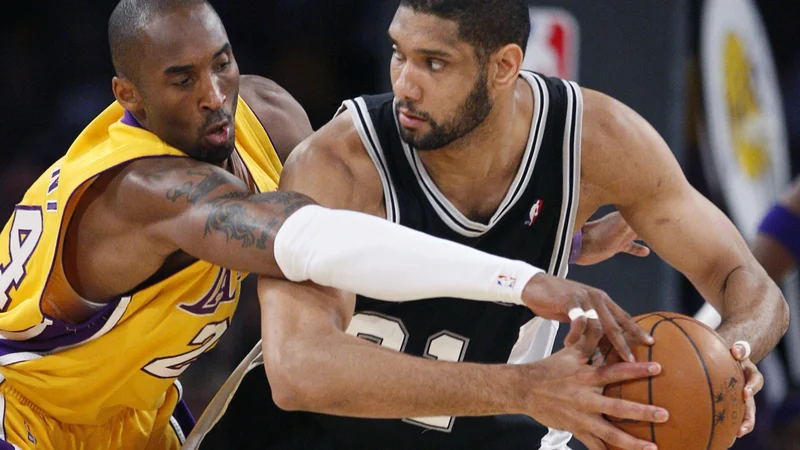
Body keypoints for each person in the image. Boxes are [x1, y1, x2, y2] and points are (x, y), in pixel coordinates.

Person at [0, 0, 659, 448]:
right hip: (24, 418)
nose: (213, 92)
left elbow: (371, 230)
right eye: (180, 80)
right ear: (129, 97)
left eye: (220, 61)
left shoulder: (261, 114)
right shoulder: (148, 188)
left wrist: (561, 242)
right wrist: (522, 281)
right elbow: (316, 241)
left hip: (131, 418)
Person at [187, 1, 789, 450]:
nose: (404, 83)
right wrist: (524, 387)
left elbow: (751, 283)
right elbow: (298, 369)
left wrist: (726, 357)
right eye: (399, 52)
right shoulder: (342, 162)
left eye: (434, 63)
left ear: (504, 66)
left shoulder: (596, 143)